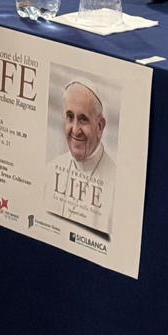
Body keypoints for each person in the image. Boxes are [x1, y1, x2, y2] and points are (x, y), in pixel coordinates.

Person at [47, 80, 116, 237]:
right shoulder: (50, 170)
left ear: (99, 126)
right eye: (70, 117)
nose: (75, 130)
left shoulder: (117, 186)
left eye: (83, 119)